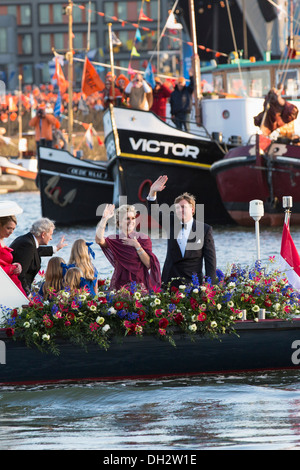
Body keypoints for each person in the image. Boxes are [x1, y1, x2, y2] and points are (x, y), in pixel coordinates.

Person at [147, 175, 216, 287]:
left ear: (192, 209)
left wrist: (210, 286)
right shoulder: (171, 222)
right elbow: (154, 213)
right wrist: (152, 192)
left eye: (183, 207)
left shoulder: (204, 229)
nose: (180, 210)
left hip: (193, 285)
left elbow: (210, 261)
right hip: (170, 283)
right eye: (177, 208)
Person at [95, 204, 161, 291]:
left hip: (140, 285)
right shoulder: (115, 240)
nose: (131, 221)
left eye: (133, 218)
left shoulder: (143, 239)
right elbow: (98, 240)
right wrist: (104, 219)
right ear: (119, 222)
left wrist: (137, 245)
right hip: (120, 285)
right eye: (127, 218)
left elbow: (149, 264)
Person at [10, 218, 67, 295]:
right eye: (50, 234)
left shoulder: (27, 240)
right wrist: (28, 295)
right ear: (43, 234)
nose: (51, 238)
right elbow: (20, 275)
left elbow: (36, 251)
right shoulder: (27, 245)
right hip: (16, 292)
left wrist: (56, 248)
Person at [0, 214, 27, 296]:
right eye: (8, 228)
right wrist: (12, 268)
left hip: (10, 281)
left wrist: (16, 265)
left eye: (13, 229)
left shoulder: (2, 240)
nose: (11, 232)